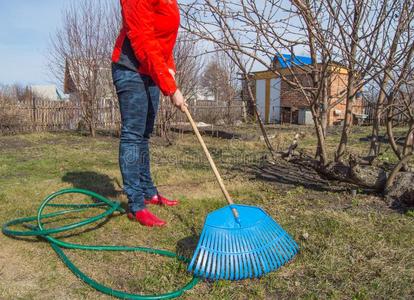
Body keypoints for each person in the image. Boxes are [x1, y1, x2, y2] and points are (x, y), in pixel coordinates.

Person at [111, 0, 187, 227]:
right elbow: (144, 40)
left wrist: (169, 70)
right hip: (131, 68)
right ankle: (136, 204)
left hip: (152, 69)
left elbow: (163, 40)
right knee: (133, 135)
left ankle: (148, 191)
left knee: (144, 135)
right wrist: (170, 88)